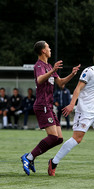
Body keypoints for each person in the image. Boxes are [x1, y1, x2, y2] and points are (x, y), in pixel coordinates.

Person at [21, 40, 80, 176]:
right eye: (48, 47)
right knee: (53, 136)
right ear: (43, 51)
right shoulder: (39, 66)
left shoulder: (48, 66)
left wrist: (72, 74)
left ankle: (30, 157)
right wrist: (53, 70)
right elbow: (40, 80)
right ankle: (29, 157)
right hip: (42, 105)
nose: (50, 49)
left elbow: (61, 83)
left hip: (49, 106)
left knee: (58, 138)